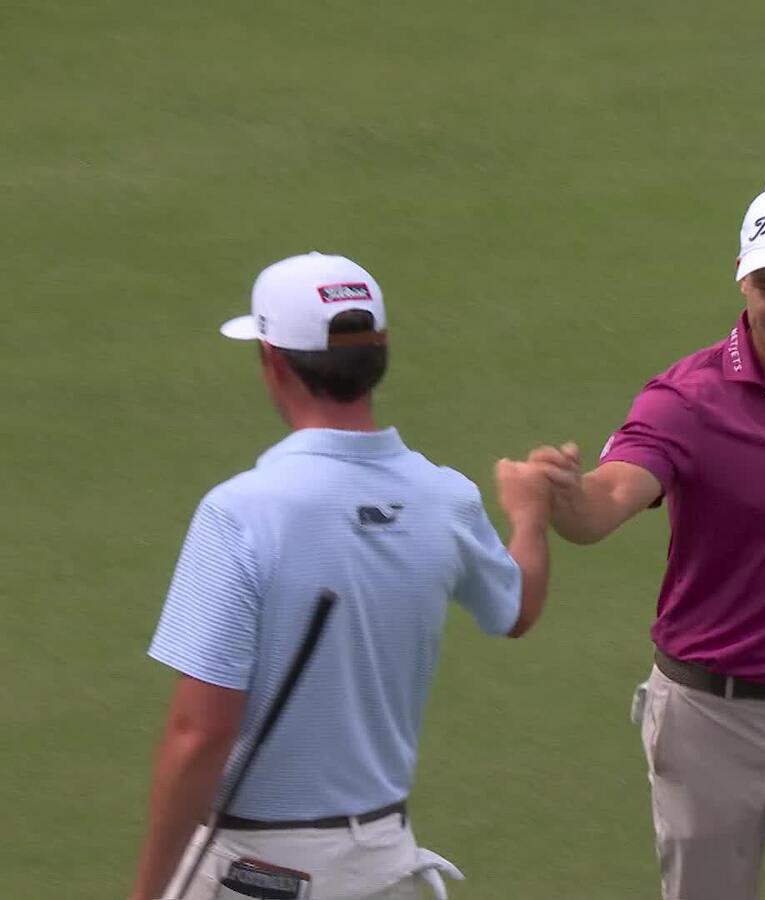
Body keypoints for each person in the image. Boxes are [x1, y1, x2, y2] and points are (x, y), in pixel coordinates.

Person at [128, 252, 551, 900]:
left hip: (255, 875)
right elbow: (515, 606)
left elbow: (200, 733)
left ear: (273, 359)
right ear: (376, 355)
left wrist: (150, 890)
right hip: (384, 870)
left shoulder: (241, 512)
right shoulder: (444, 499)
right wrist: (528, 516)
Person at [531, 180, 765, 900]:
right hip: (713, 722)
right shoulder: (686, 402)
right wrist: (568, 500)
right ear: (742, 276)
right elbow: (611, 497)